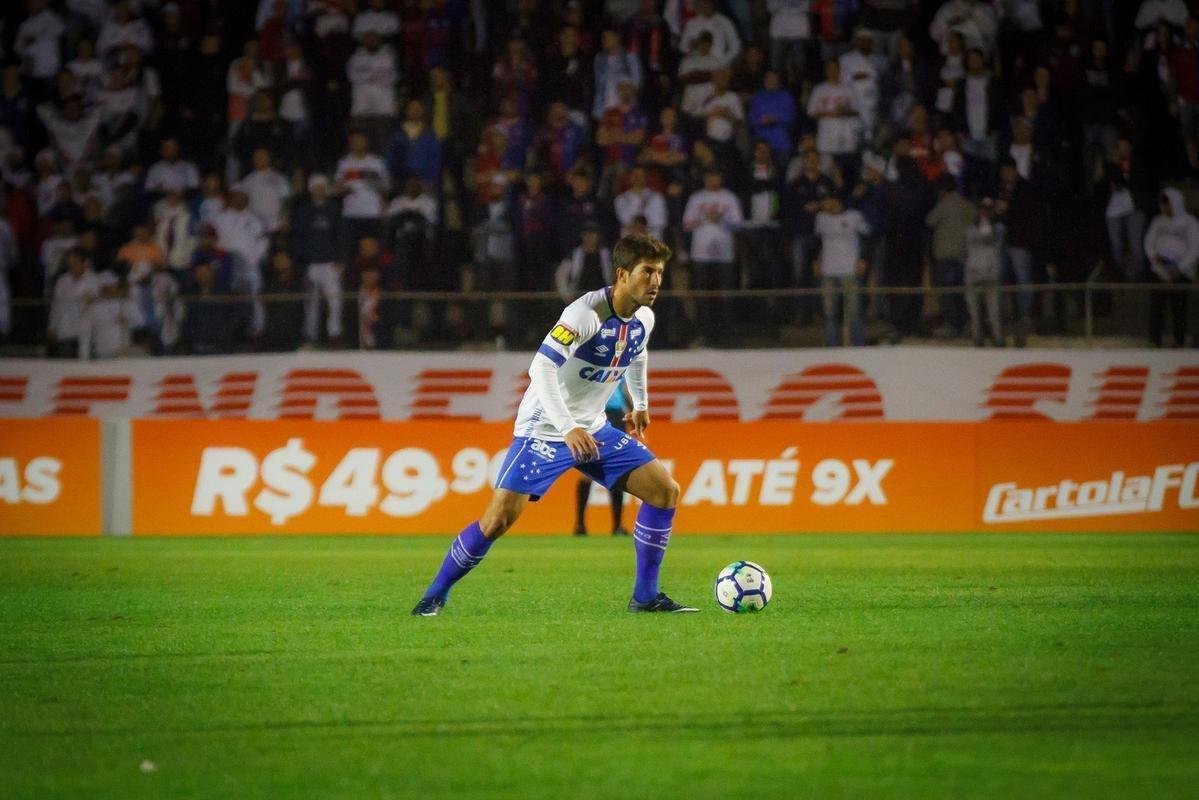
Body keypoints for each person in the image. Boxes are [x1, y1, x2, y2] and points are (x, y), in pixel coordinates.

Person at [411, 233, 695, 616]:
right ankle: (434, 594)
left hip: (593, 428)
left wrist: (639, 403)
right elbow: (541, 367)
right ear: (623, 274)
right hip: (545, 429)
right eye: (648, 272)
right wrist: (567, 428)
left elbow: (637, 353)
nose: (656, 282)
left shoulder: (644, 316)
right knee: (496, 521)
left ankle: (645, 597)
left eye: (660, 272)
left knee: (665, 492)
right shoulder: (585, 314)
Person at [573, 382, 633, 537]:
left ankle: (617, 526)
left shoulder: (620, 364)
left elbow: (623, 392)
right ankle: (580, 524)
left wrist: (633, 412)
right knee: (588, 468)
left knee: (617, 470)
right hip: (595, 414)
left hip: (617, 416)